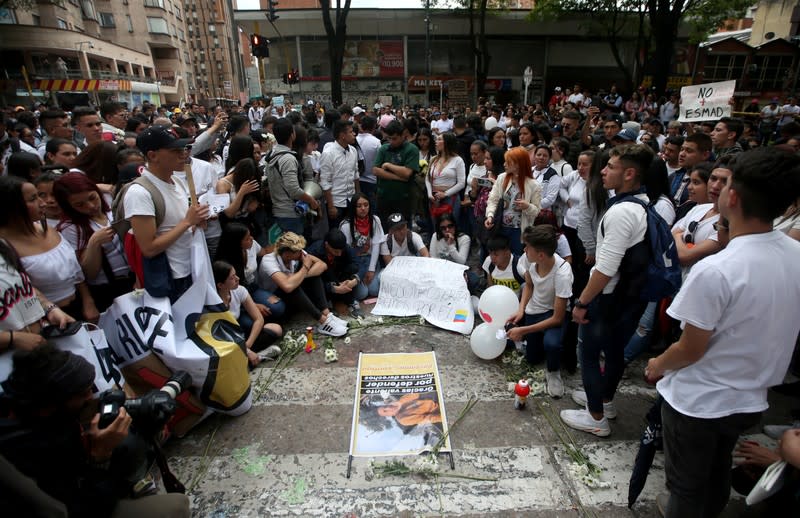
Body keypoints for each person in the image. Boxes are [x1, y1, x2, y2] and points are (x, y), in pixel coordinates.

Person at [645, 147, 800, 518]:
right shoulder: (793, 254)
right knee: (715, 473)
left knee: (684, 486)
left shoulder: (718, 269)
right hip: (749, 397)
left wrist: (657, 364)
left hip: (700, 401)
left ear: (733, 196)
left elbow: (691, 348)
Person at [0, 345, 191, 517]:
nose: (91, 397)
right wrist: (100, 456)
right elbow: (83, 506)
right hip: (77, 505)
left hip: (84, 489)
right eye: (83, 393)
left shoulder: (37, 413)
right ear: (49, 404)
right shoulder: (28, 451)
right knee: (176, 506)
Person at [562, 144, 654, 437]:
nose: (602, 171)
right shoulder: (643, 202)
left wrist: (582, 302)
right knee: (614, 352)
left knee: (588, 354)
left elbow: (605, 269)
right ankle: (605, 400)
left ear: (629, 174)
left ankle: (596, 417)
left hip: (608, 297)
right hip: (629, 297)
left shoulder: (621, 212)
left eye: (610, 166)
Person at [124, 126, 209, 302]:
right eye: (175, 150)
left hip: (191, 268)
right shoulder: (140, 193)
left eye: (184, 149)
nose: (183, 154)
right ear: (153, 155)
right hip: (170, 278)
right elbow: (148, 248)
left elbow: (180, 225)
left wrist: (196, 223)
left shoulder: (177, 180)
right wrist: (187, 222)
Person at [0, 175, 96, 321]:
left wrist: (88, 301)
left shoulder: (47, 228)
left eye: (39, 196)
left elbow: (76, 272)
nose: (42, 203)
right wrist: (50, 309)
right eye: (32, 199)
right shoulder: (4, 247)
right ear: (11, 207)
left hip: (79, 308)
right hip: (48, 320)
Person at [508, 225, 573, 398]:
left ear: (541, 255)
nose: (524, 250)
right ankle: (535, 344)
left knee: (552, 344)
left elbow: (558, 318)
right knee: (533, 359)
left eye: (527, 247)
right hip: (534, 311)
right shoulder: (531, 260)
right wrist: (521, 311)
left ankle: (554, 372)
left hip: (554, 314)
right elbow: (529, 285)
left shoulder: (563, 272)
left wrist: (523, 330)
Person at [54, 172, 133, 313]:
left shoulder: (112, 206)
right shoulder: (71, 228)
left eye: (92, 198)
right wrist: (94, 243)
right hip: (108, 289)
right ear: (69, 207)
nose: (90, 206)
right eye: (80, 205)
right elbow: (89, 273)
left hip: (134, 279)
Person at [257, 232, 347, 337]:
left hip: (289, 289)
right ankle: (322, 321)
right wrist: (304, 268)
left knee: (313, 275)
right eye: (298, 252)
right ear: (287, 254)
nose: (302, 253)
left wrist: (303, 274)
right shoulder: (269, 260)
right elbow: (287, 286)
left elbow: (322, 265)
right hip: (274, 295)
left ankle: (327, 314)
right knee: (293, 285)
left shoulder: (297, 253)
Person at [214, 222, 285, 327]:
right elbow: (228, 294)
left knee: (277, 307)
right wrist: (254, 306)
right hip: (235, 295)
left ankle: (265, 324)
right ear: (236, 243)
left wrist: (283, 243)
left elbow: (265, 251)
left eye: (250, 235)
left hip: (252, 288)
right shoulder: (224, 263)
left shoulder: (252, 245)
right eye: (247, 238)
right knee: (249, 324)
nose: (251, 238)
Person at [213, 260, 282, 367]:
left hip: (240, 336)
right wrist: (246, 350)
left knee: (276, 329)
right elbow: (221, 336)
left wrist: (247, 346)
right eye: (232, 278)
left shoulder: (239, 290)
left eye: (235, 274)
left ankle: (248, 357)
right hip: (225, 341)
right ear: (220, 285)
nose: (237, 279)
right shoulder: (214, 303)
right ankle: (254, 357)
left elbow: (259, 319)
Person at [484, 147, 543, 256]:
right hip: (500, 227)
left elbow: (537, 211)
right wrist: (490, 215)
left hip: (519, 231)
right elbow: (493, 199)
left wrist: (527, 206)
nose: (504, 164)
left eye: (508, 162)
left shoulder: (533, 185)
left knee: (516, 259)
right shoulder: (502, 178)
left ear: (518, 164)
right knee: (499, 257)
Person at [265, 119, 319, 235]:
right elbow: (294, 190)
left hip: (279, 210)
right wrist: (311, 200)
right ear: (292, 135)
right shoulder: (288, 159)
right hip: (290, 213)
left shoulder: (272, 154)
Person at [373, 120, 419, 227]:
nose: (391, 141)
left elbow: (407, 173)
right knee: (384, 229)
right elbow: (376, 170)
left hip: (403, 198)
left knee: (403, 229)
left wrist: (388, 165)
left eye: (394, 138)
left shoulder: (412, 149)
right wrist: (399, 177)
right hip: (383, 197)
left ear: (403, 135)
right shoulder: (384, 148)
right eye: (389, 138)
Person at [307, 229, 363, 316]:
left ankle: (351, 301)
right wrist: (332, 288)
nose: (339, 254)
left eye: (341, 251)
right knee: (317, 274)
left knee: (353, 267)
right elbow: (309, 282)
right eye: (336, 251)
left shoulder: (344, 247)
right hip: (325, 283)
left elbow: (358, 263)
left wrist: (355, 280)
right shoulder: (314, 251)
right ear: (327, 245)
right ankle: (326, 304)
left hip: (340, 278)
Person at [339, 193, 385, 299]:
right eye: (359, 206)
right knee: (361, 294)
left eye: (366, 205)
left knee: (374, 290)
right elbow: (346, 253)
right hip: (355, 263)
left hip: (370, 260)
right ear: (353, 207)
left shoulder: (375, 220)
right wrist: (361, 273)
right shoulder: (345, 225)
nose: (363, 208)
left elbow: (376, 245)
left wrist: (371, 270)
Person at [320, 119, 359, 229]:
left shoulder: (353, 151)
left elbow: (355, 175)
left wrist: (358, 197)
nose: (354, 134)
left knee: (351, 230)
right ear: (342, 135)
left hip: (351, 199)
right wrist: (331, 206)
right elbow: (325, 181)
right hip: (336, 202)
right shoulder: (328, 153)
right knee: (336, 234)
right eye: (351, 132)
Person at [425, 132, 466, 227]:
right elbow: (427, 179)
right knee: (437, 227)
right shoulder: (434, 159)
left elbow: (461, 183)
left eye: (439, 139)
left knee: (450, 227)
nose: (436, 142)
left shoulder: (458, 160)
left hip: (450, 198)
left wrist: (445, 194)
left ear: (447, 143)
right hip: (434, 199)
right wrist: (429, 193)